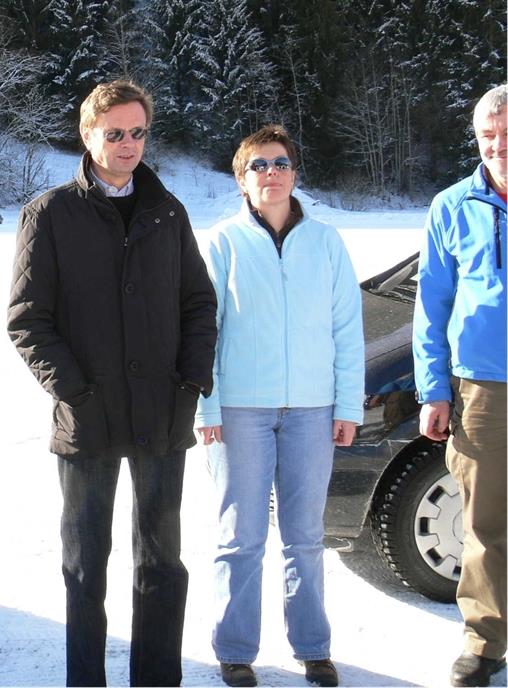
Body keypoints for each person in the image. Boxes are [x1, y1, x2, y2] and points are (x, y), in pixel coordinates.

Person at [7, 79, 217, 687]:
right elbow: (27, 320)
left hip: (161, 413)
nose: (129, 144)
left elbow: (199, 305)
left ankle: (156, 679)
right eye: (115, 132)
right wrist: (76, 392)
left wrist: (190, 383)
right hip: (88, 417)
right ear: (88, 134)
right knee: (84, 567)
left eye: (139, 132)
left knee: (160, 563)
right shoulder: (49, 213)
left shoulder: (167, 211)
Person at [193, 125, 364, 688]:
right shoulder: (222, 243)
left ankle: (313, 647)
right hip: (241, 409)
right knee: (240, 536)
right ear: (242, 181)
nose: (271, 173)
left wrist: (347, 405)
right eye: (258, 165)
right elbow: (203, 333)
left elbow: (346, 330)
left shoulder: (327, 242)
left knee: (305, 535)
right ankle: (236, 650)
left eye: (281, 163)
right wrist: (208, 409)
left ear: (295, 173)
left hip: (313, 410)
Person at [414, 84, 507, 688]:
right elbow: (432, 301)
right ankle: (485, 641)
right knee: (485, 525)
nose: (498, 146)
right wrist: (434, 388)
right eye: (488, 136)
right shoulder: (451, 206)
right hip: (482, 393)